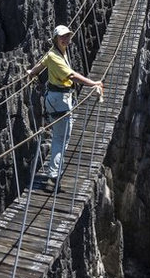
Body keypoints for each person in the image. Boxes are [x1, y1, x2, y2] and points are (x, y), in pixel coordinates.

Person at [26, 24, 103, 191]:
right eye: (62, 36)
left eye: (68, 36)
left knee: (60, 137)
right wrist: (93, 83)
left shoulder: (55, 52)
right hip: (60, 100)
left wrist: (32, 72)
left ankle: (53, 173)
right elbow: (72, 75)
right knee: (61, 139)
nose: (66, 39)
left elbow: (41, 64)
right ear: (55, 38)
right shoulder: (55, 56)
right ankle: (53, 178)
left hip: (57, 99)